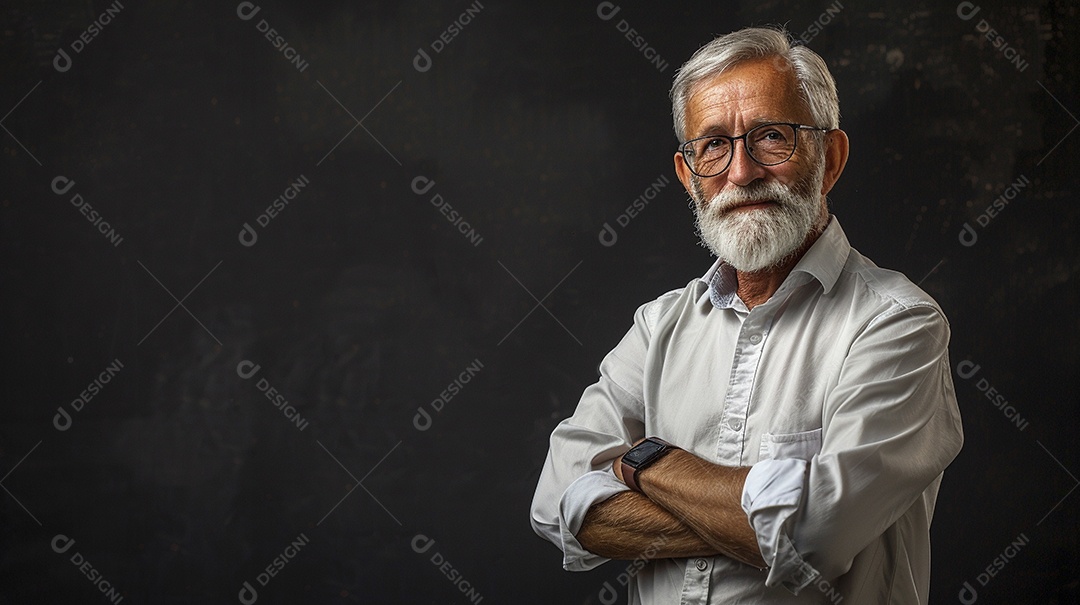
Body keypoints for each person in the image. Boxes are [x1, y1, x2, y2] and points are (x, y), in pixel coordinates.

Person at [529, 26, 964, 604]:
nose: (741, 172)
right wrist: (758, 520)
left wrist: (649, 463)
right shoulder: (659, 327)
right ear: (688, 176)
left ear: (829, 157)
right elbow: (557, 505)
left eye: (771, 137)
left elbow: (814, 537)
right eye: (712, 145)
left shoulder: (898, 324)